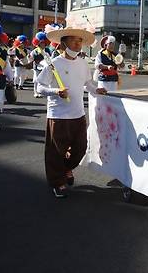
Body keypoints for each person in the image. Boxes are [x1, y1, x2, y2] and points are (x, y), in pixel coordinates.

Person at [36, 26, 106, 198]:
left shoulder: (83, 63)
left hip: (78, 115)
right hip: (58, 115)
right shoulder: (54, 64)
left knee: (81, 149)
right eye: (74, 40)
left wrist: (97, 90)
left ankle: (67, 168)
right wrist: (55, 92)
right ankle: (57, 182)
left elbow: (88, 84)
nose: (78, 44)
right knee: (55, 152)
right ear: (63, 43)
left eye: (80, 40)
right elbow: (39, 86)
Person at [29, 31, 52, 98]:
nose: (42, 44)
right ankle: (35, 92)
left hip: (45, 67)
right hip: (37, 67)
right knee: (36, 80)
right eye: (41, 42)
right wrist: (29, 58)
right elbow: (30, 59)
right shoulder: (35, 51)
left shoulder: (47, 50)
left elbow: (50, 57)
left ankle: (42, 92)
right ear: (38, 43)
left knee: (44, 80)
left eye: (43, 42)